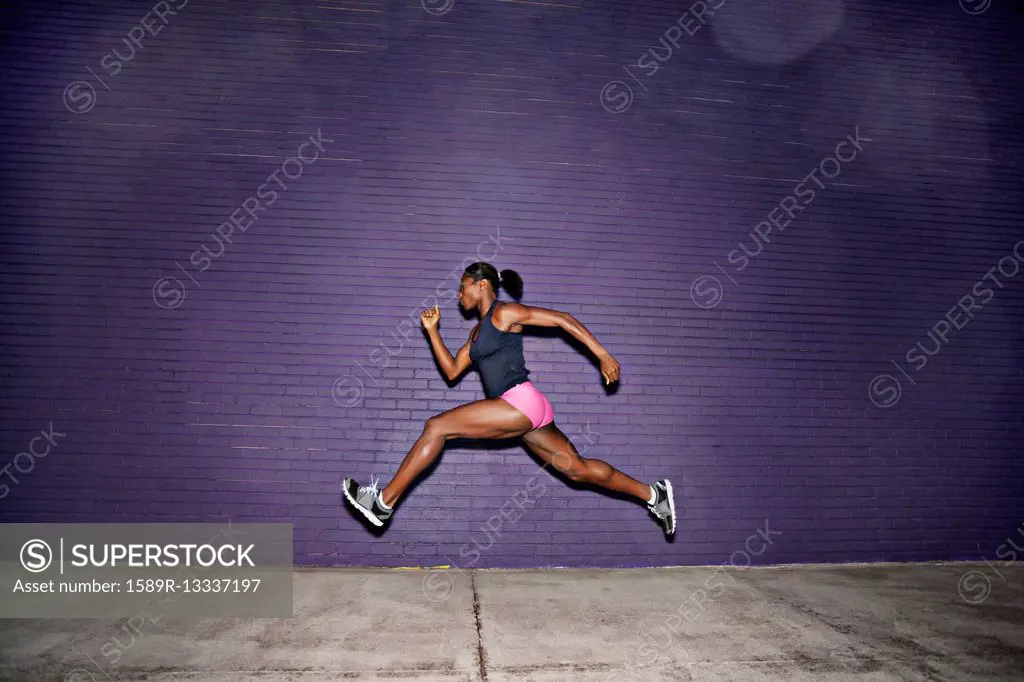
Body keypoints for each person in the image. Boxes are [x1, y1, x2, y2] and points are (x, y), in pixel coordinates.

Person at [342, 262, 676, 535]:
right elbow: (453, 371)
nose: (459, 295)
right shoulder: (477, 334)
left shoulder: (504, 313)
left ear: (481, 284)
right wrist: (432, 333)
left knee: (436, 427)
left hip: (519, 402)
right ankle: (652, 494)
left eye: (463, 287)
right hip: (529, 413)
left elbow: (562, 320)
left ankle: (382, 504)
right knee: (578, 470)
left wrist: (603, 355)